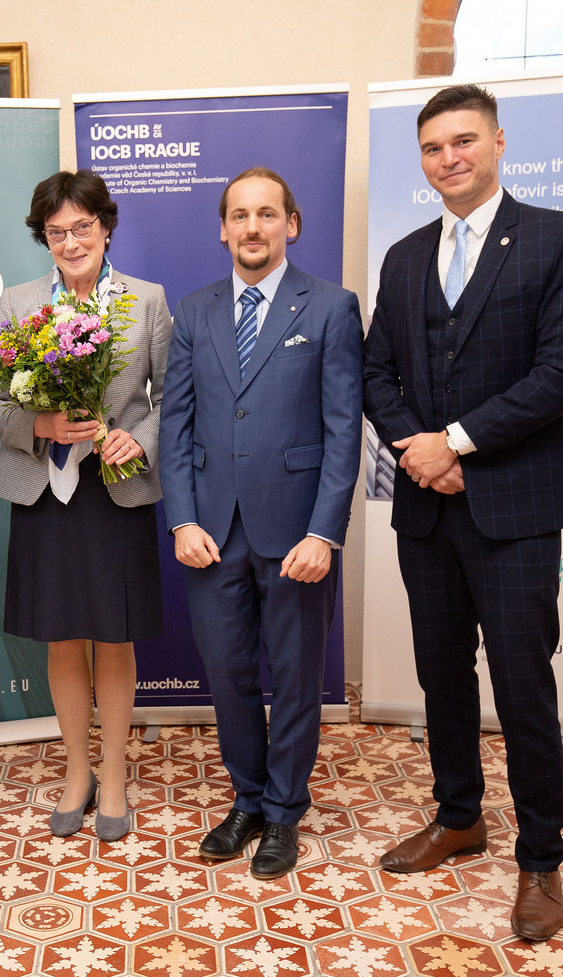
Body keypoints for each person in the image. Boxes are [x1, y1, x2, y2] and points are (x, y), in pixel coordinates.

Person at [362, 84, 563, 942]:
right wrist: (416, 449)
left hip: (514, 505)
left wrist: (454, 442)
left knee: (523, 683)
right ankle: (459, 816)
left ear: (498, 142)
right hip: (427, 509)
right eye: (432, 148)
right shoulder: (403, 255)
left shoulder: (554, 238)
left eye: (463, 141)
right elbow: (374, 372)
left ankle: (541, 860)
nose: (448, 158)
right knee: (441, 675)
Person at [160, 167, 363, 879]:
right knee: (228, 675)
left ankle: (283, 811)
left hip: (297, 532)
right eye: (240, 216)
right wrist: (181, 519)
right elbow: (174, 429)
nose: (253, 227)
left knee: (298, 678)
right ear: (223, 228)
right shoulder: (195, 311)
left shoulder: (332, 309)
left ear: (291, 224)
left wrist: (324, 533)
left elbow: (344, 432)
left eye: (267, 215)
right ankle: (247, 798)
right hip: (212, 533)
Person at [0, 170, 171, 842]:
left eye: (81, 227)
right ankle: (77, 771)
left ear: (105, 228)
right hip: (45, 491)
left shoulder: (146, 301)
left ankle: (115, 773)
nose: (70, 241)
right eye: (56, 232)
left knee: (113, 638)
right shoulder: (19, 302)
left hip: (116, 493)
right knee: (63, 638)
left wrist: (134, 439)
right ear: (44, 238)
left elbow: (173, 399)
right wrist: (40, 427)